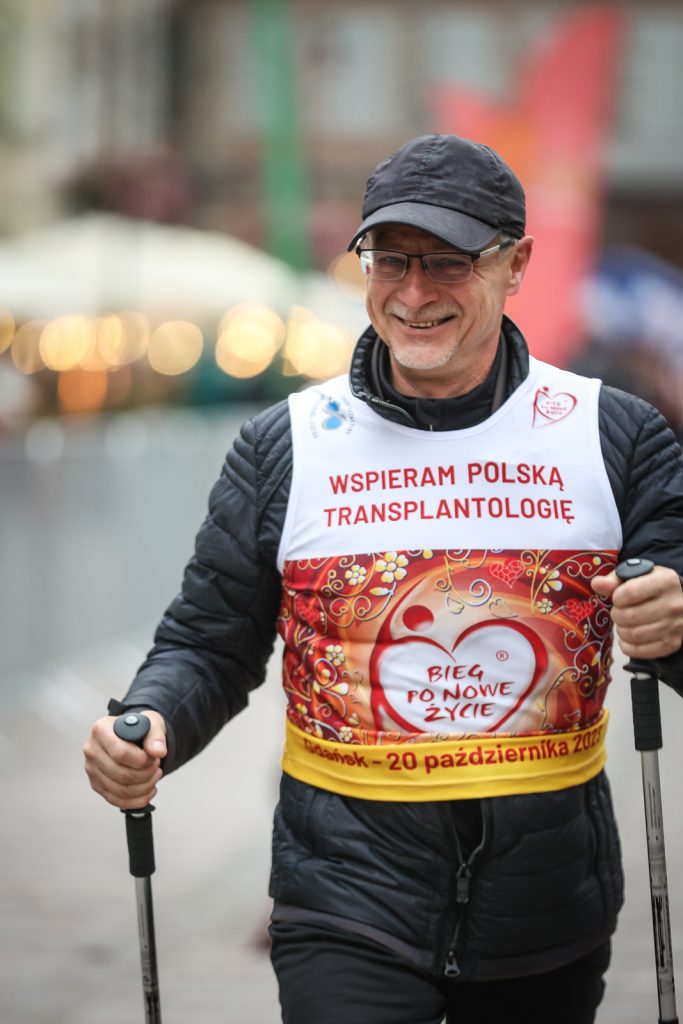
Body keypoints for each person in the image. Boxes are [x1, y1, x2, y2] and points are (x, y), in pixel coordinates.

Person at [84, 133, 683, 1024]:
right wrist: (151, 720)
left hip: (544, 909)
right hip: (344, 899)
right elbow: (209, 641)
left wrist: (672, 623)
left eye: (447, 262)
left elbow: (672, 607)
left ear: (516, 264)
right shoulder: (286, 444)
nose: (412, 293)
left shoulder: (611, 434)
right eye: (390, 259)